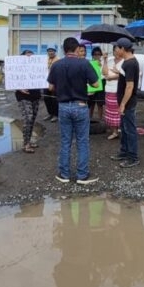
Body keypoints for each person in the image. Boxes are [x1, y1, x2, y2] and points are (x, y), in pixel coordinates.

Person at [47, 36, 98, 185]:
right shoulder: (84, 63)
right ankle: (82, 176)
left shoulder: (56, 65)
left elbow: (50, 87)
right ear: (77, 49)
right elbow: (95, 84)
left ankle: (64, 174)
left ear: (64, 50)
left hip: (63, 106)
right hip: (80, 105)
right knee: (82, 141)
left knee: (65, 141)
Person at [112, 39, 140, 167]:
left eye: (117, 48)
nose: (116, 50)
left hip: (128, 103)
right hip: (124, 101)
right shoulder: (127, 62)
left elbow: (130, 86)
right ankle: (124, 151)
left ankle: (133, 157)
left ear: (122, 48)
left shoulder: (130, 63)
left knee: (130, 129)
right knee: (124, 128)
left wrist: (123, 104)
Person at [14, 48, 42, 153]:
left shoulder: (37, 68)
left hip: (35, 95)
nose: (30, 58)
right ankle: (25, 144)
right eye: (27, 56)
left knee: (32, 119)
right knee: (28, 118)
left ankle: (28, 141)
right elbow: (11, 80)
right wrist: (19, 88)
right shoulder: (17, 68)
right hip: (23, 96)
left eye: (32, 57)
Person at [102, 46, 122, 139]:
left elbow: (125, 75)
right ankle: (114, 130)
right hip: (109, 89)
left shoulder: (124, 61)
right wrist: (105, 60)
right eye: (115, 51)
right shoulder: (110, 60)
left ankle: (118, 130)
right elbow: (104, 73)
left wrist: (113, 76)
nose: (116, 53)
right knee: (110, 111)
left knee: (118, 111)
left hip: (119, 90)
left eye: (118, 51)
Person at [86, 47, 104, 123]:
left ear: (101, 55)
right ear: (92, 55)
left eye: (99, 54)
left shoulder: (103, 63)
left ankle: (100, 119)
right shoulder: (89, 63)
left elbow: (105, 74)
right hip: (92, 85)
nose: (97, 56)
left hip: (101, 85)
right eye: (95, 54)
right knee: (91, 104)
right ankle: (89, 119)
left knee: (100, 104)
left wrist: (101, 65)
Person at [43, 47, 59, 122]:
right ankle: (50, 113)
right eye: (49, 51)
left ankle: (56, 115)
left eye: (52, 51)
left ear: (55, 52)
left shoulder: (58, 60)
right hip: (45, 83)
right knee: (46, 98)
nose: (51, 52)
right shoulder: (45, 60)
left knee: (54, 99)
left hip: (55, 83)